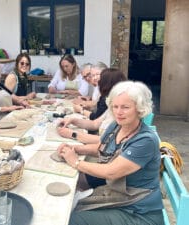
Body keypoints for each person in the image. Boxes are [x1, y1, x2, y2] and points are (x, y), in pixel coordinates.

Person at [57, 81, 164, 225]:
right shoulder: (116, 125)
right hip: (120, 197)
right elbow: (102, 147)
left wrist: (76, 162)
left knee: (69, 219)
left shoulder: (146, 140)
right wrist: (75, 149)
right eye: (115, 106)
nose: (118, 112)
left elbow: (111, 172)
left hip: (139, 211)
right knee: (68, 203)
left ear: (139, 109)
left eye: (125, 107)